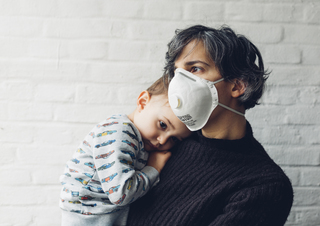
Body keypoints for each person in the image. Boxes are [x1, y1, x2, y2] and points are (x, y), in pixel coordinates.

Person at [127, 25, 294, 226]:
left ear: (237, 85)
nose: (179, 84)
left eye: (195, 69)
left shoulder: (264, 186)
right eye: (177, 72)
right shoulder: (167, 141)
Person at [59, 76, 192, 226]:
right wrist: (153, 168)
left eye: (174, 139)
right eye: (162, 125)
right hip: (89, 216)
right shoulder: (119, 132)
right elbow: (120, 193)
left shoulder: (138, 137)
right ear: (143, 102)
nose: (162, 140)